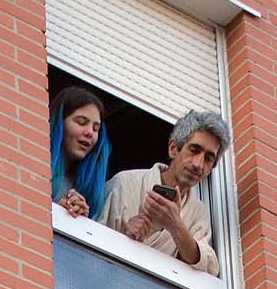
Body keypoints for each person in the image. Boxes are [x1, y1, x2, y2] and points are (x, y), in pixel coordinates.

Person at [102, 112, 228, 273]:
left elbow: (209, 268)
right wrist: (126, 237)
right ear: (173, 149)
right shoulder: (125, 183)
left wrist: (175, 225)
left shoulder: (198, 213)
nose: (198, 164)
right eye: (194, 150)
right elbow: (88, 240)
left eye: (208, 158)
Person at [50, 85, 111, 219]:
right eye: (81, 122)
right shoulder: (34, 168)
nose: (89, 132)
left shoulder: (86, 188)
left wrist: (81, 219)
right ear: (59, 122)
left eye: (96, 129)